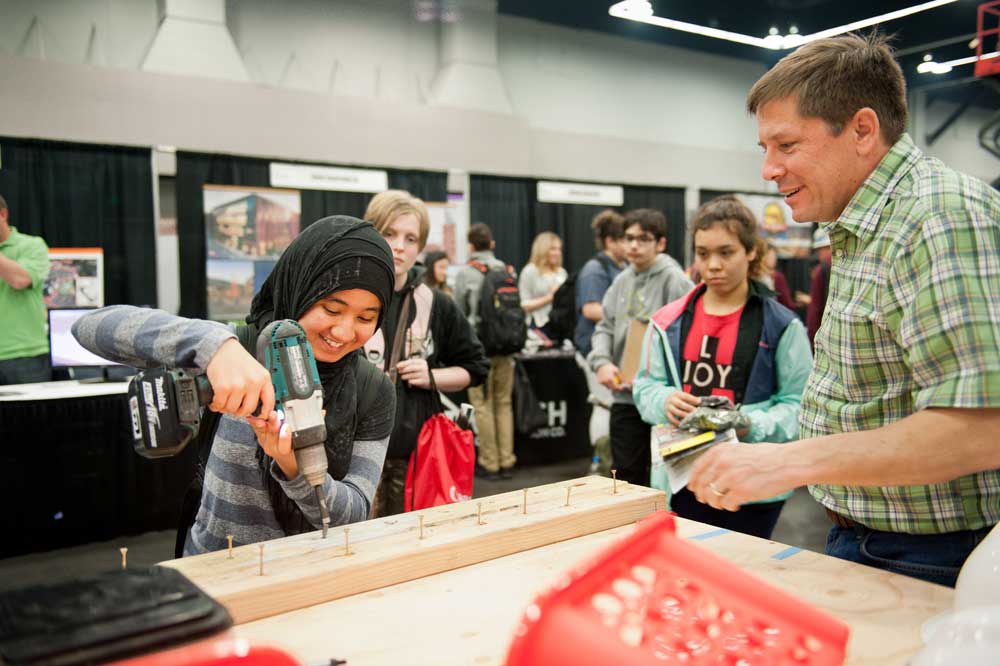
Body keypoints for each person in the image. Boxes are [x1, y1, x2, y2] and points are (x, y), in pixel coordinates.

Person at [688, 33, 1000, 587]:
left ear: (861, 130)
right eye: (764, 149)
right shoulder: (862, 224)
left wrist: (790, 459)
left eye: (786, 145)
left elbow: (983, 429)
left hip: (933, 554)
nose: (769, 169)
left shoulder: (936, 218)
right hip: (869, 536)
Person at [73, 216, 398, 555]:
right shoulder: (239, 350)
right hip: (214, 564)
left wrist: (292, 464)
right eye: (332, 309)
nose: (345, 333)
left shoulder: (373, 390)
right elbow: (91, 328)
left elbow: (354, 514)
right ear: (302, 288)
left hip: (308, 574)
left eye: (365, 318)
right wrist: (215, 348)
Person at [633, 196, 812, 539]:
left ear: (750, 252)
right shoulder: (666, 323)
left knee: (740, 576)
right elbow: (645, 386)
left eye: (725, 252)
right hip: (681, 480)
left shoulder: (782, 326)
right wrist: (665, 400)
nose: (712, 265)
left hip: (752, 488)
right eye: (703, 253)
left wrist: (749, 425)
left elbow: (799, 406)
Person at [362, 190, 488, 516]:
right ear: (369, 232)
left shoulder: (437, 304)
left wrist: (432, 376)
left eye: (410, 238)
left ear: (420, 246)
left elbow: (475, 367)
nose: (399, 246)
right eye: (388, 233)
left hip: (415, 456)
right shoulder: (345, 298)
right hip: (355, 457)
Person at [588, 208, 692, 487]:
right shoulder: (621, 280)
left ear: (660, 243)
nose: (633, 245)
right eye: (629, 238)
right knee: (624, 478)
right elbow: (605, 327)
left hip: (663, 400)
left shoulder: (675, 280)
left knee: (667, 480)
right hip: (625, 397)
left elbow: (687, 337)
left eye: (643, 238)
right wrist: (602, 362)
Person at [454, 223, 518, 480]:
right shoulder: (507, 270)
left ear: (470, 246)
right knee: (504, 403)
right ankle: (507, 460)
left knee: (481, 404)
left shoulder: (466, 274)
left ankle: (490, 463)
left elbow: (459, 313)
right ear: (491, 244)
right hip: (507, 348)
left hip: (479, 349)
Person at [0, 195, 52, 385]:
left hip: (25, 356)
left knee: (29, 415)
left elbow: (20, 279)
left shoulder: (31, 245)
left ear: (3, 214)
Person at [574, 209, 626, 357]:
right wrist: (629, 318)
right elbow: (591, 310)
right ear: (610, 241)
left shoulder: (626, 267)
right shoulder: (594, 270)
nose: (630, 245)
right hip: (593, 349)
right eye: (624, 240)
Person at [518, 231, 567, 338]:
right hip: (538, 327)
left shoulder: (562, 273)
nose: (557, 253)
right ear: (542, 250)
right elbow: (524, 304)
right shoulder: (530, 271)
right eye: (553, 249)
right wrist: (550, 297)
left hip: (560, 326)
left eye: (559, 249)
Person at [805, 228, 832, 349]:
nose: (819, 255)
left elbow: (814, 310)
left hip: (824, 337)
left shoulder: (821, 270)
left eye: (820, 250)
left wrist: (811, 342)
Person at [761, 242, 796, 310]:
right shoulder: (777, 277)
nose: (774, 258)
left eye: (774, 255)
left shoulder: (753, 275)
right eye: (770, 256)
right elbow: (787, 303)